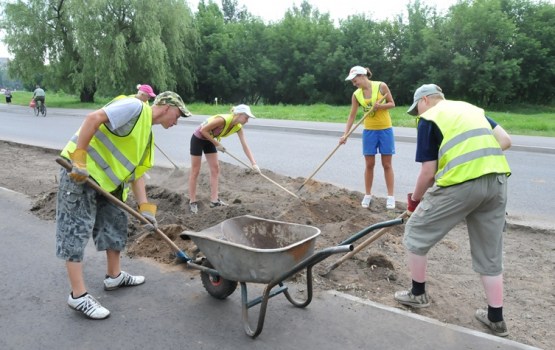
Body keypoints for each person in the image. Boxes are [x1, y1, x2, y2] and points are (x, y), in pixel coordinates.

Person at [56, 91, 192, 320]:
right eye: (178, 115)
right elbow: (93, 118)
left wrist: (146, 210)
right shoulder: (134, 107)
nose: (177, 122)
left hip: (109, 185)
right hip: (81, 174)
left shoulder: (147, 136)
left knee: (116, 224)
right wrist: (79, 158)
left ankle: (114, 276)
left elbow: (136, 174)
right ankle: (78, 296)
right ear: (167, 107)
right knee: (75, 230)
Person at [394, 84, 512, 337]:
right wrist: (473, 159)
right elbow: (505, 141)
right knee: (489, 252)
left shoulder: (430, 117)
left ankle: (417, 294)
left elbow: (428, 172)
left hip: (463, 184)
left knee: (415, 233)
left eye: (417, 109)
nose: (417, 114)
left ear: (425, 100)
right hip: (497, 182)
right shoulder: (471, 109)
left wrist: (414, 202)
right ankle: (496, 318)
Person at [342, 65, 397, 210]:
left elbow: (392, 104)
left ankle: (390, 197)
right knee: (369, 164)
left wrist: (380, 107)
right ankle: (368, 194)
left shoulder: (381, 86)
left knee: (387, 164)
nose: (354, 84)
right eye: (353, 82)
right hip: (369, 132)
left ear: (362, 76)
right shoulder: (356, 95)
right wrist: (345, 134)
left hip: (385, 130)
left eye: (355, 81)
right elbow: (352, 115)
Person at [188, 104, 259, 214]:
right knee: (195, 170)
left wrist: (254, 164)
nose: (247, 120)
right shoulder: (222, 120)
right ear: (239, 115)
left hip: (210, 141)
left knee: (215, 168)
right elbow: (203, 130)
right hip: (198, 138)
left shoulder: (238, 127)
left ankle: (214, 201)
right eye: (246, 117)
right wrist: (217, 144)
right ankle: (192, 202)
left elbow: (245, 146)